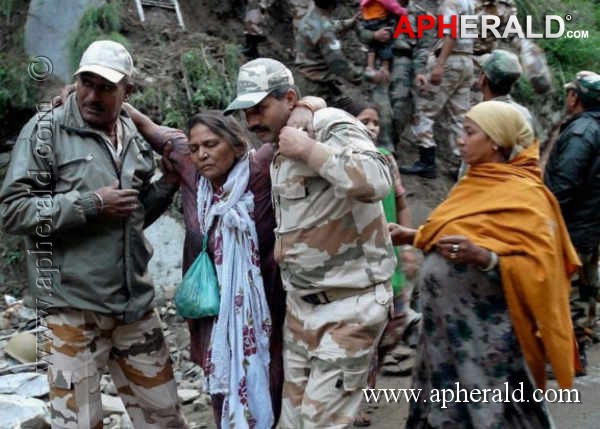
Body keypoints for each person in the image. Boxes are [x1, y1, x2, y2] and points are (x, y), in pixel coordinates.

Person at [0, 40, 188, 428]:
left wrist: (167, 184)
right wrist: (89, 204)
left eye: (106, 87)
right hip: (73, 311)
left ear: (127, 92)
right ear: (76, 81)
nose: (93, 95)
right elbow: (12, 210)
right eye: (86, 83)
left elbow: (132, 216)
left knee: (166, 419)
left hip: (133, 307)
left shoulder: (133, 135)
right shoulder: (45, 131)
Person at [127, 96, 325, 428]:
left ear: (235, 145)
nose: (202, 153)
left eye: (211, 144)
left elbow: (292, 124)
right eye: (194, 147)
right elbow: (148, 127)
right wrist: (100, 95)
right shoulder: (193, 173)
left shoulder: (260, 168)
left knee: (272, 379)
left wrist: (306, 104)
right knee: (218, 381)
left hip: (265, 308)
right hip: (211, 310)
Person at [224, 57, 396, 428]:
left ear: (288, 97)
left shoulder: (329, 125)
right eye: (246, 112)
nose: (252, 120)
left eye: (260, 108)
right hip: (303, 310)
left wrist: (309, 150)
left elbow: (377, 180)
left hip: (349, 306)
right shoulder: (279, 144)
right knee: (293, 422)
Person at [390, 101, 579, 427]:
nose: (460, 140)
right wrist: (412, 236)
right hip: (444, 338)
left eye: (469, 132)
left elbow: (542, 271)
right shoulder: (472, 184)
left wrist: (485, 258)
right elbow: (457, 233)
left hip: (486, 343)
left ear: (495, 140)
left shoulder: (527, 196)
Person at [347, 101, 419, 427]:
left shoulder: (386, 159)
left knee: (394, 326)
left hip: (390, 257)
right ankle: (356, 400)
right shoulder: (342, 164)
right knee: (363, 335)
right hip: (358, 262)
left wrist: (408, 248)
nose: (372, 127)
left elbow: (401, 202)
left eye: (376, 122)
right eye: (365, 121)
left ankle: (367, 388)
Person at [544, 71, 600, 358]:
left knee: (568, 292)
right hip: (591, 224)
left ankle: (568, 355)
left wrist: (545, 216)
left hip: (573, 226)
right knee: (587, 289)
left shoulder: (581, 133)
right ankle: (581, 345)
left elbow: (565, 184)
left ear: (576, 97)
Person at [400, 0, 475, 179]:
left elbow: (450, 34)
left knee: (424, 110)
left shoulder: (450, 2)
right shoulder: (470, 3)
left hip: (450, 61)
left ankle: (427, 162)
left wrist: (439, 64)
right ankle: (463, 165)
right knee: (459, 116)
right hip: (466, 61)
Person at [357, 0, 435, 154]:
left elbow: (423, 47)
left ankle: (390, 148)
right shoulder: (377, 5)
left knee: (400, 110)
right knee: (381, 108)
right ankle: (381, 150)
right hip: (379, 62)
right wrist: (374, 35)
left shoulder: (419, 14)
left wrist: (420, 71)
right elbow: (360, 29)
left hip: (404, 66)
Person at [295, 0, 386, 109]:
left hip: (307, 83)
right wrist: (369, 76)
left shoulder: (311, 16)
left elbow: (329, 26)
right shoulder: (325, 30)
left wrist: (349, 23)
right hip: (318, 89)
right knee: (362, 113)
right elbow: (339, 65)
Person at [359, 0, 407, 77]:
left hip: (368, 22)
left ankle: (370, 66)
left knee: (372, 45)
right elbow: (394, 7)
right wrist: (404, 11)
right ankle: (385, 67)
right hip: (379, 21)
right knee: (385, 43)